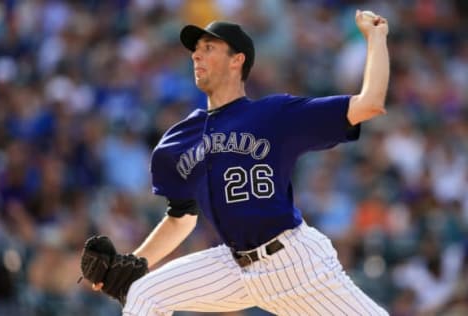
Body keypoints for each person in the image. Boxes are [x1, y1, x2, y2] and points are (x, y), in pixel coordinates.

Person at [85, 9, 390, 315]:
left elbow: (370, 103)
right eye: (195, 50)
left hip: (294, 263)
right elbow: (181, 217)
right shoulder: (181, 138)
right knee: (144, 292)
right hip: (234, 266)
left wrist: (375, 38)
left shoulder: (273, 115)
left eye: (208, 48)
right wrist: (136, 262)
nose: (196, 56)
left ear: (237, 60)